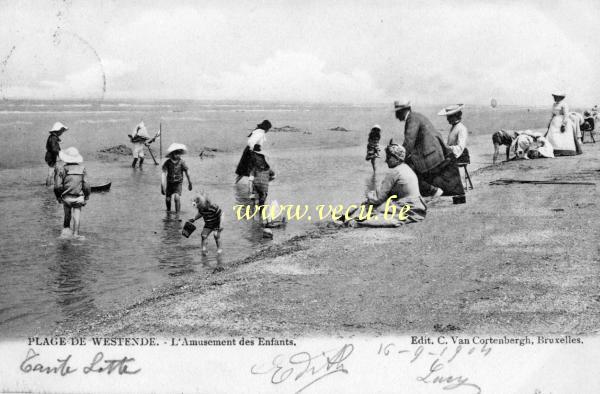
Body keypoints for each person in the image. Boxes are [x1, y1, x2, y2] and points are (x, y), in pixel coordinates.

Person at [394, 100, 464, 198]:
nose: (396, 116)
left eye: (397, 112)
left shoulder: (412, 119)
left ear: (402, 111)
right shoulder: (417, 116)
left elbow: (409, 143)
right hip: (435, 153)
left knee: (407, 169)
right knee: (408, 164)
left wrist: (397, 156)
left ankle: (432, 191)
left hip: (430, 157)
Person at [53, 147, 90, 239]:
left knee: (67, 215)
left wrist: (58, 196)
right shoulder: (82, 168)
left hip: (67, 198)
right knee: (77, 216)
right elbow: (86, 185)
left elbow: (57, 185)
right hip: (78, 197)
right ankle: (76, 234)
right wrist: (86, 197)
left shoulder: (62, 169)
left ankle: (65, 233)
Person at [544, 91, 578, 156]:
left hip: (562, 121)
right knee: (553, 136)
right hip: (554, 122)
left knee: (563, 136)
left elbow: (566, 115)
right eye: (554, 96)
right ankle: (554, 150)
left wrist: (563, 124)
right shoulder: (554, 104)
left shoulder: (564, 104)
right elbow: (552, 114)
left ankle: (564, 151)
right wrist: (549, 123)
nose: (554, 98)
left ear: (559, 97)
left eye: (555, 96)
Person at [161, 143, 192, 214]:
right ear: (172, 154)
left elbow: (187, 171)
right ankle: (168, 212)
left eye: (179, 153)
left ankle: (177, 214)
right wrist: (162, 186)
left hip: (178, 183)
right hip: (169, 183)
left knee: (177, 197)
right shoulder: (167, 162)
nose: (178, 155)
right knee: (168, 199)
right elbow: (163, 173)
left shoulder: (182, 162)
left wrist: (190, 183)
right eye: (176, 153)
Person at [248, 144, 275, 209]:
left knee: (253, 202)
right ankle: (261, 215)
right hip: (264, 188)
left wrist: (250, 192)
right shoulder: (268, 169)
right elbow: (274, 176)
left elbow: (250, 180)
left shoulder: (254, 167)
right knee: (262, 203)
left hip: (255, 186)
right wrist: (267, 180)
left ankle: (254, 214)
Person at [45, 122, 68, 186]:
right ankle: (50, 185)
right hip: (51, 156)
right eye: (61, 131)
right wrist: (60, 154)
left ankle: (52, 184)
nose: (61, 133)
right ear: (58, 131)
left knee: (53, 171)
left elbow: (55, 148)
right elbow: (54, 149)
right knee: (52, 171)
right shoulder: (53, 138)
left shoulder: (52, 137)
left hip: (50, 156)